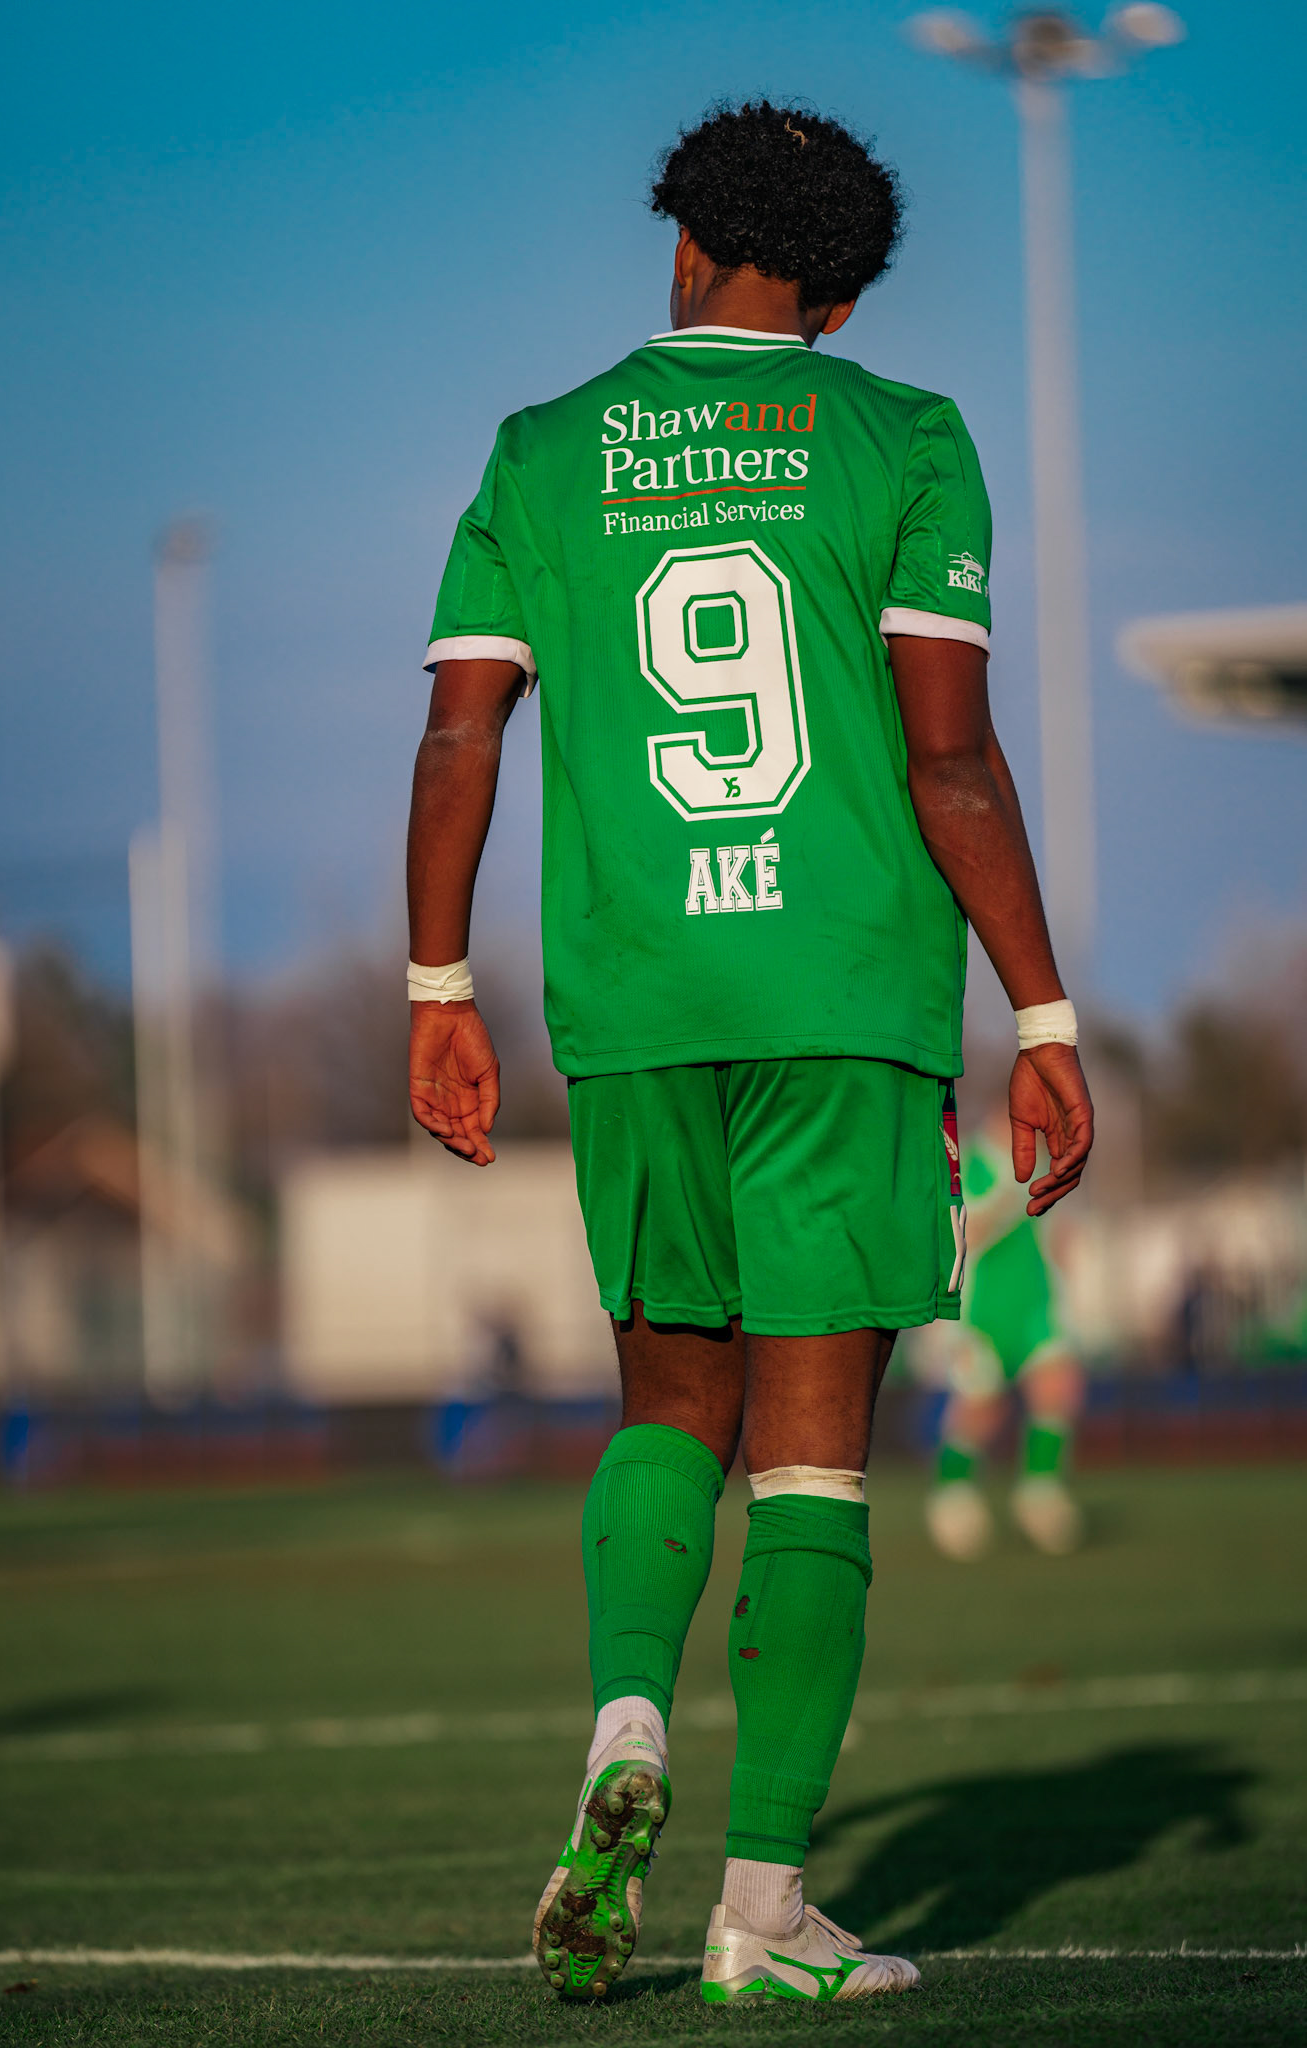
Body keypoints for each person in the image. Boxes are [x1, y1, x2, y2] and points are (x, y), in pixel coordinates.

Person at [405, 100, 1093, 2007]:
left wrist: (437, 988)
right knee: (813, 1458)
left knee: (667, 1405)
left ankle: (628, 1717)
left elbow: (460, 735)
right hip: (844, 995)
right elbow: (950, 756)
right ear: (843, 301)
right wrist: (1042, 1015)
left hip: (639, 1004)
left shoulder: (540, 450)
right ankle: (763, 1911)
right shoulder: (905, 437)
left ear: (683, 244)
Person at [918, 1106, 1088, 1561]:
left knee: (1059, 1386)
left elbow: (1057, 1231)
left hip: (1035, 1309)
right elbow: (966, 1229)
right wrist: (1013, 1197)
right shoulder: (972, 1164)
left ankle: (1040, 1493)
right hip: (982, 1317)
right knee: (980, 1410)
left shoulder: (1045, 1167)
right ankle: (951, 1495)